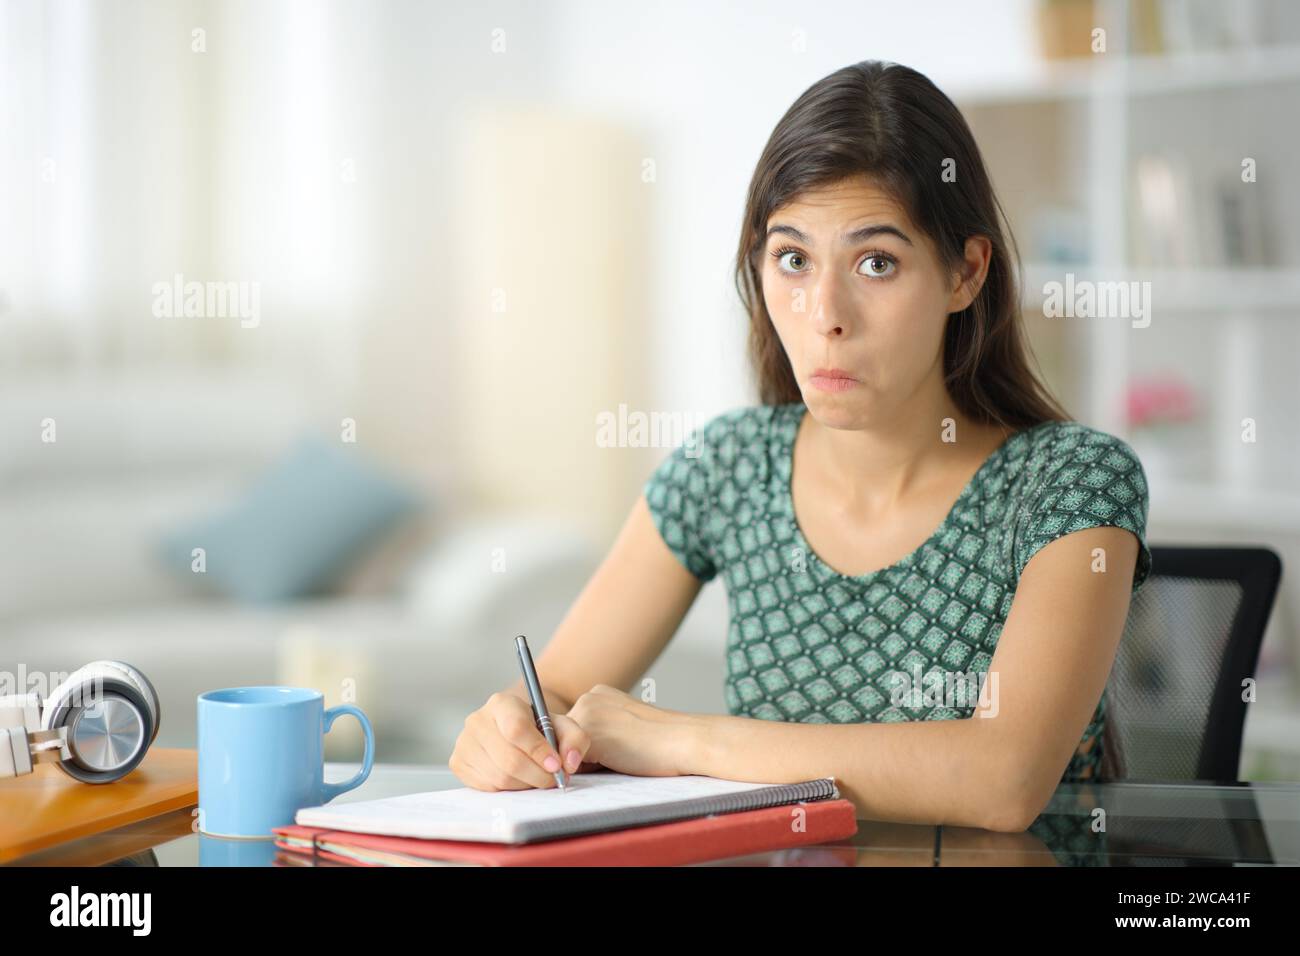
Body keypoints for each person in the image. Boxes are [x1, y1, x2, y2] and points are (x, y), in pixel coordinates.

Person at [449, 59, 1151, 833]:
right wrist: (507, 734)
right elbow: (555, 697)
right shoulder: (728, 466)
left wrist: (683, 738)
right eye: (793, 260)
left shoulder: (1071, 483)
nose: (826, 315)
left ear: (965, 273)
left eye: (876, 263)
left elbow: (1002, 780)